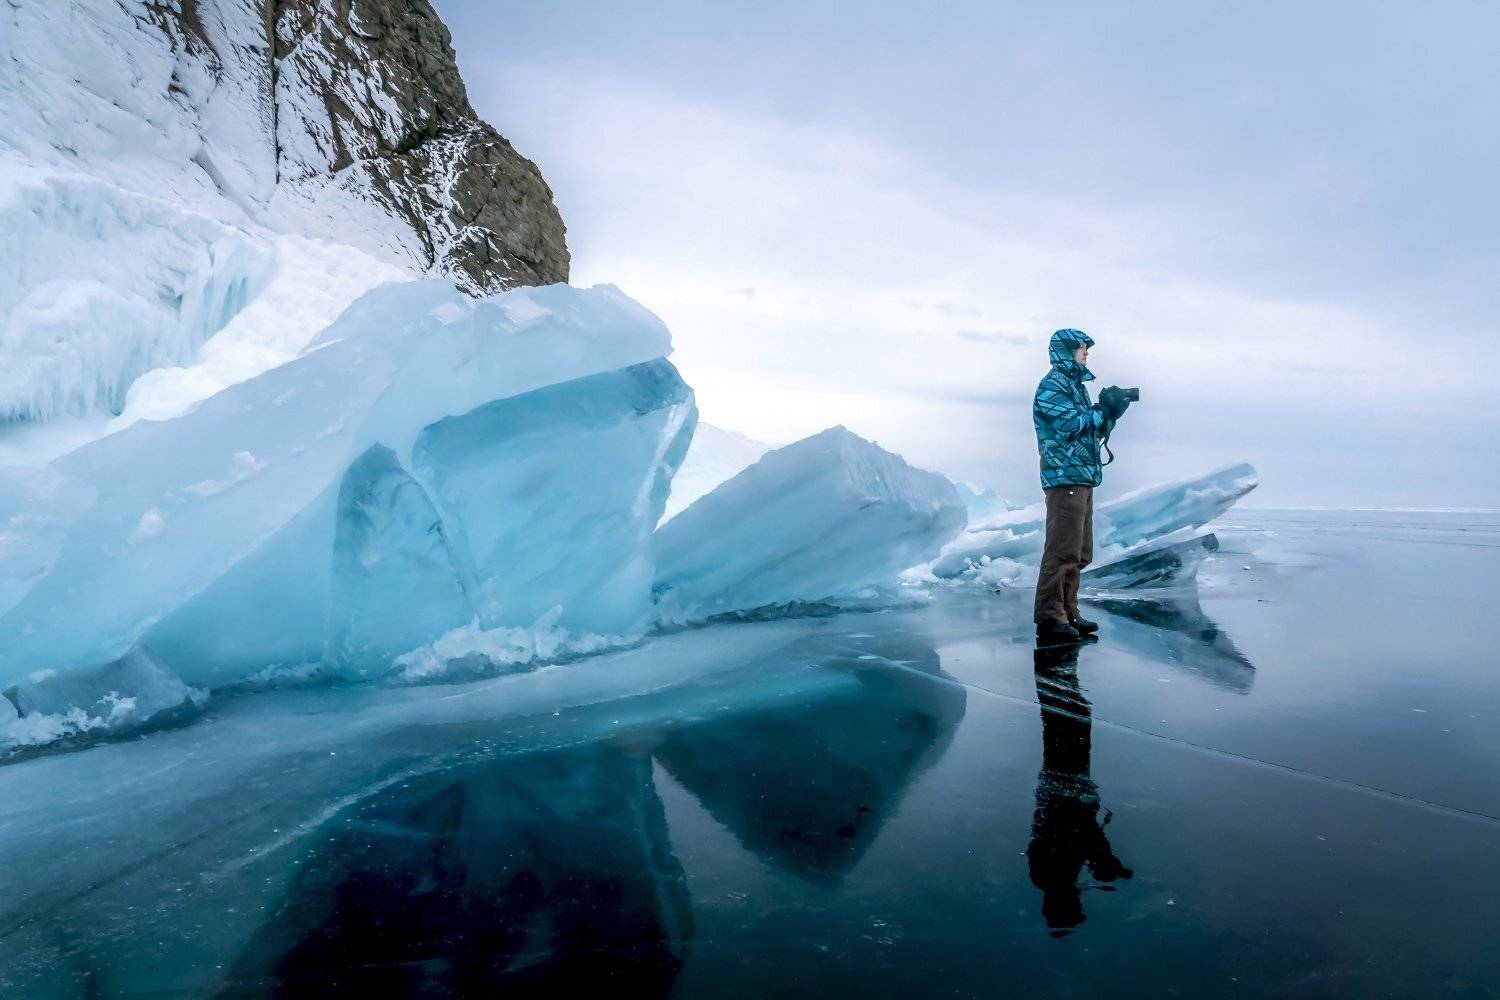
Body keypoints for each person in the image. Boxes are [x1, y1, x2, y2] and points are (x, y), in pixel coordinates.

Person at [1031, 328, 1132, 643]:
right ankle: (1050, 616)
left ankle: (1068, 611)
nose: (1086, 352)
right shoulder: (1052, 387)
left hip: (1081, 476)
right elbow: (1067, 426)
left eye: (1087, 348)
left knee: (1079, 552)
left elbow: (1089, 429)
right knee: (1062, 551)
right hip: (1064, 478)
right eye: (1081, 347)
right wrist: (1100, 410)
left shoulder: (1075, 387)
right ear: (1065, 351)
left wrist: (1111, 414)